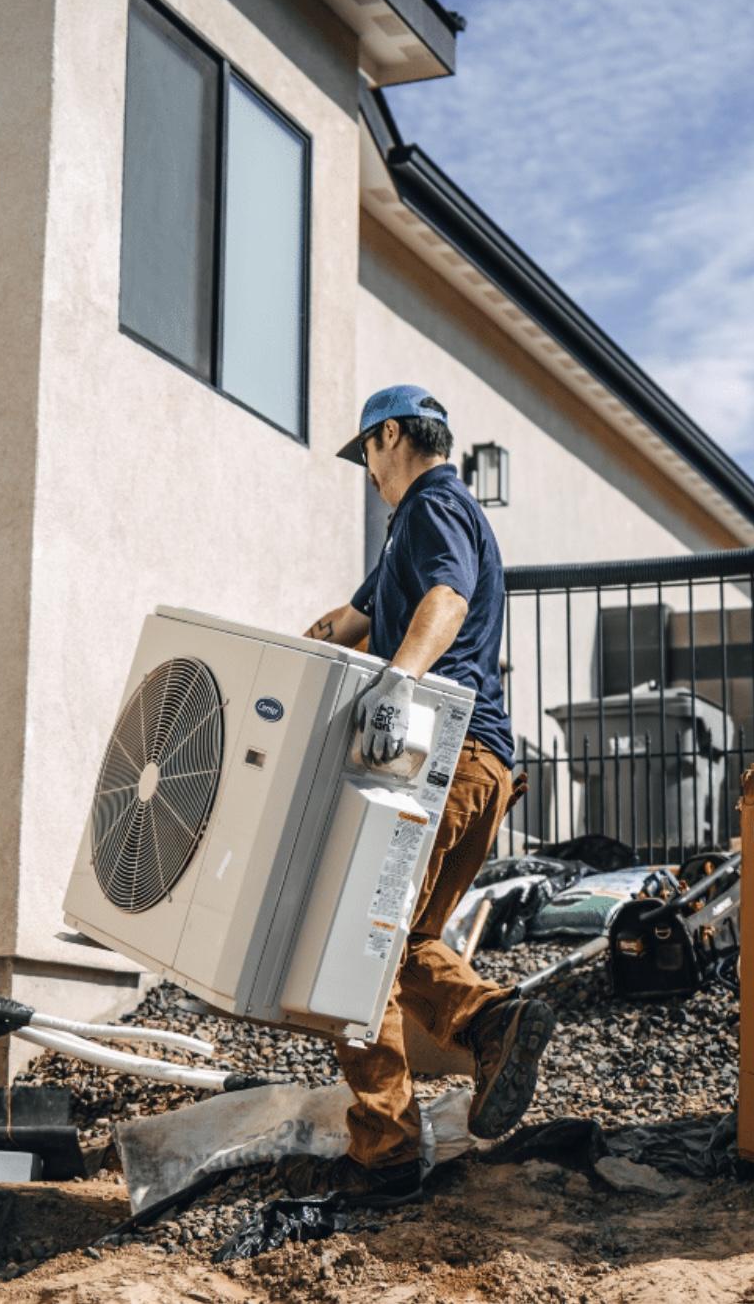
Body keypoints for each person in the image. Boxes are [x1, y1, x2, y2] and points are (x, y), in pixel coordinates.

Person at [286, 384, 555, 1207]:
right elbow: (355, 616)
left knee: (349, 948)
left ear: (391, 435)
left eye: (366, 452)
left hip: (444, 753)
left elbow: (445, 598)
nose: (366, 472)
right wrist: (276, 660)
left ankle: (389, 1149)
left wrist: (402, 680)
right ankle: (491, 1023)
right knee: (401, 943)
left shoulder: (437, 505)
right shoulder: (415, 527)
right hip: (483, 769)